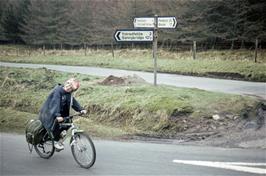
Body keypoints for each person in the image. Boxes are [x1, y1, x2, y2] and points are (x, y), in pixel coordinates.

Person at [39, 78, 87, 150]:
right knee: (54, 126)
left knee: (67, 124)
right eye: (69, 86)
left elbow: (73, 102)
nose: (69, 89)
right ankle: (54, 141)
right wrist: (57, 115)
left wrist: (81, 109)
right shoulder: (58, 91)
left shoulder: (68, 94)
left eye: (72, 89)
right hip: (49, 112)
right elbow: (55, 104)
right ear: (66, 84)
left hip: (59, 113)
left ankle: (59, 140)